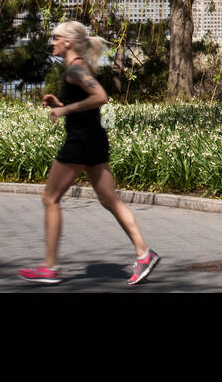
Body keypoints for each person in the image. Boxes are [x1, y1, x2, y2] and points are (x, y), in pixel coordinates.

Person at [18, 20, 160, 286]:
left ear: (68, 42)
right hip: (95, 139)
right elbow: (85, 103)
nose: (52, 42)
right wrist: (60, 102)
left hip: (80, 142)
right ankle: (144, 254)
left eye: (56, 37)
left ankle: (49, 267)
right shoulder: (79, 67)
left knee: (50, 198)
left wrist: (64, 110)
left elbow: (100, 97)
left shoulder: (75, 69)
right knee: (110, 200)